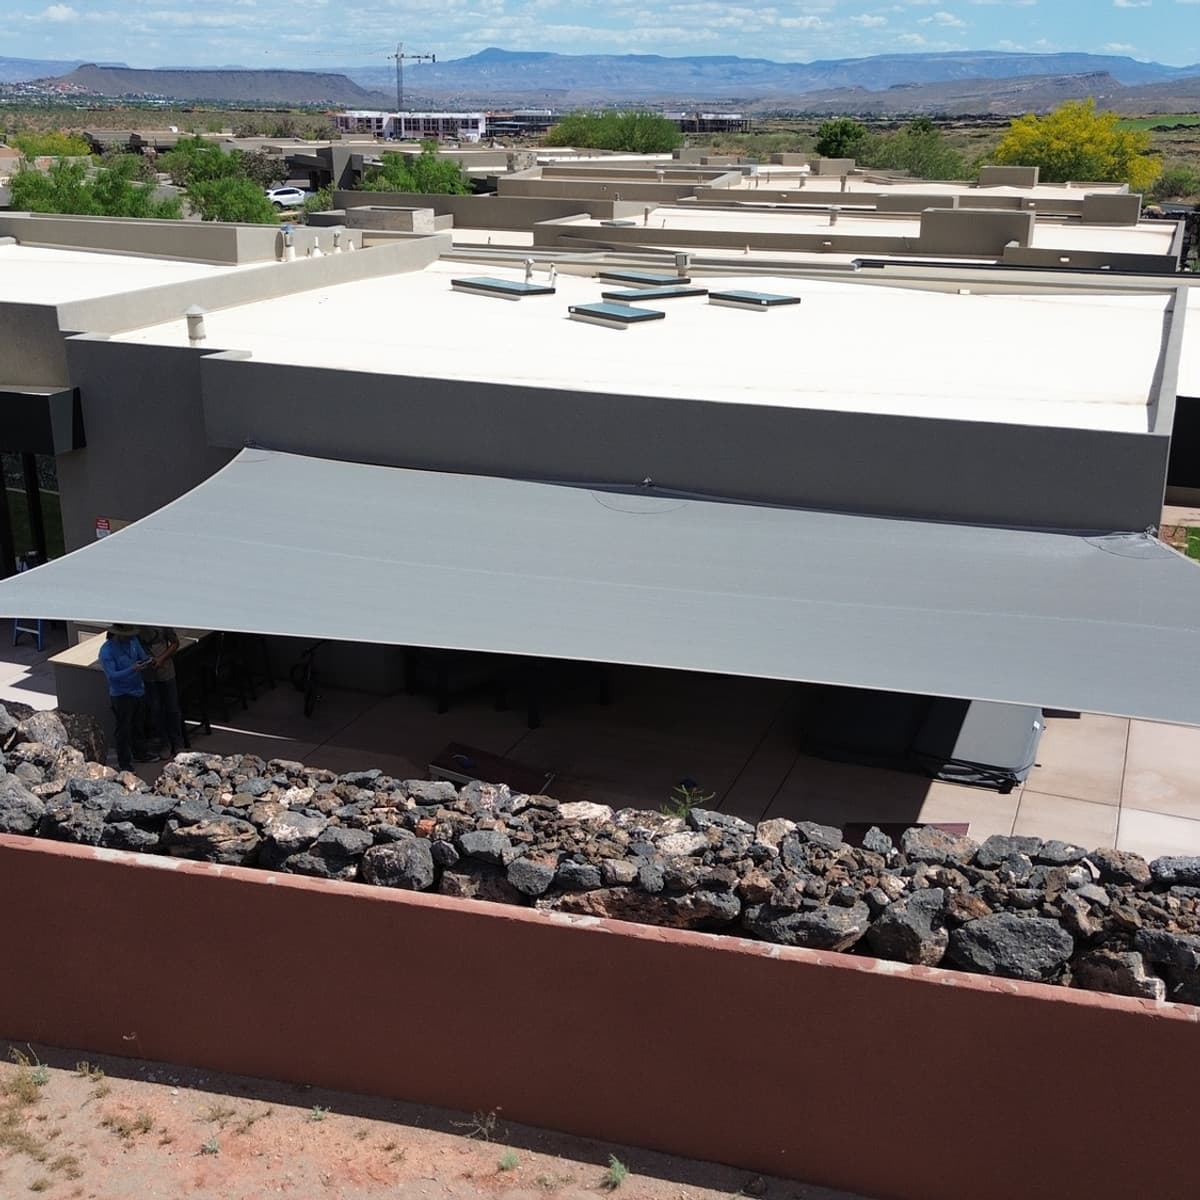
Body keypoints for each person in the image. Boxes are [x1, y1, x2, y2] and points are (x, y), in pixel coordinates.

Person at [98, 624, 156, 772]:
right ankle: (124, 763)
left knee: (139, 725)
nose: (131, 637)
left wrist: (147, 661)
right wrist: (133, 669)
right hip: (121, 694)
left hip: (138, 689)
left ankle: (140, 753)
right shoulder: (107, 651)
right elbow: (112, 675)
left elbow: (142, 656)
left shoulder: (134, 641)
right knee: (123, 730)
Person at [138, 625, 184, 757]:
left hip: (166, 672)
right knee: (155, 710)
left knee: (172, 708)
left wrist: (161, 659)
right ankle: (164, 743)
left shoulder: (162, 624)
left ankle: (177, 742)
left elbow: (175, 643)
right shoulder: (136, 626)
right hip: (148, 674)